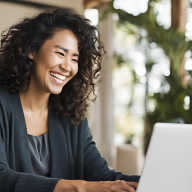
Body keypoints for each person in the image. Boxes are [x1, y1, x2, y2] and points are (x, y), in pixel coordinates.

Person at [0, 8, 140, 192]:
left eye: (74, 59)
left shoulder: (70, 114)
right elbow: (3, 178)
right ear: (32, 50)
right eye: (60, 53)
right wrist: (78, 187)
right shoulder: (3, 105)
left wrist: (153, 179)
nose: (67, 67)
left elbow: (103, 177)